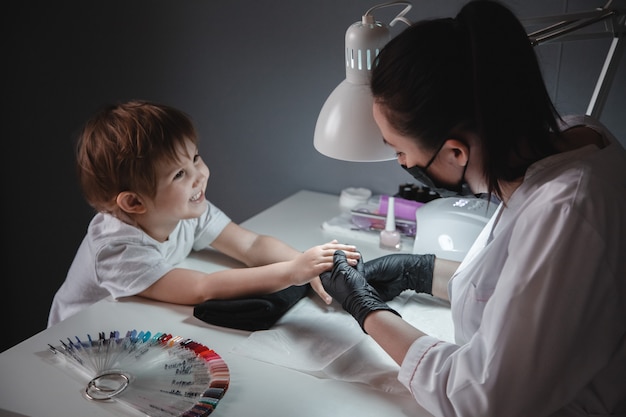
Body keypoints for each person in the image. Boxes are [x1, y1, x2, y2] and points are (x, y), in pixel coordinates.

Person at [320, 1, 626, 416]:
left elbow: (482, 395)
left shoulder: (566, 210)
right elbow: (526, 290)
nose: (403, 164)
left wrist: (367, 310)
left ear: (455, 152)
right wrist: (420, 271)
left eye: (400, 150)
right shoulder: (574, 135)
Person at [48, 100, 359, 327]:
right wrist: (292, 272)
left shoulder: (188, 209)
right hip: (78, 341)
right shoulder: (116, 248)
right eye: (178, 175)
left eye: (195, 158)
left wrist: (306, 262)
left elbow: (250, 246)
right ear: (133, 203)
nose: (199, 175)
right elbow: (202, 288)